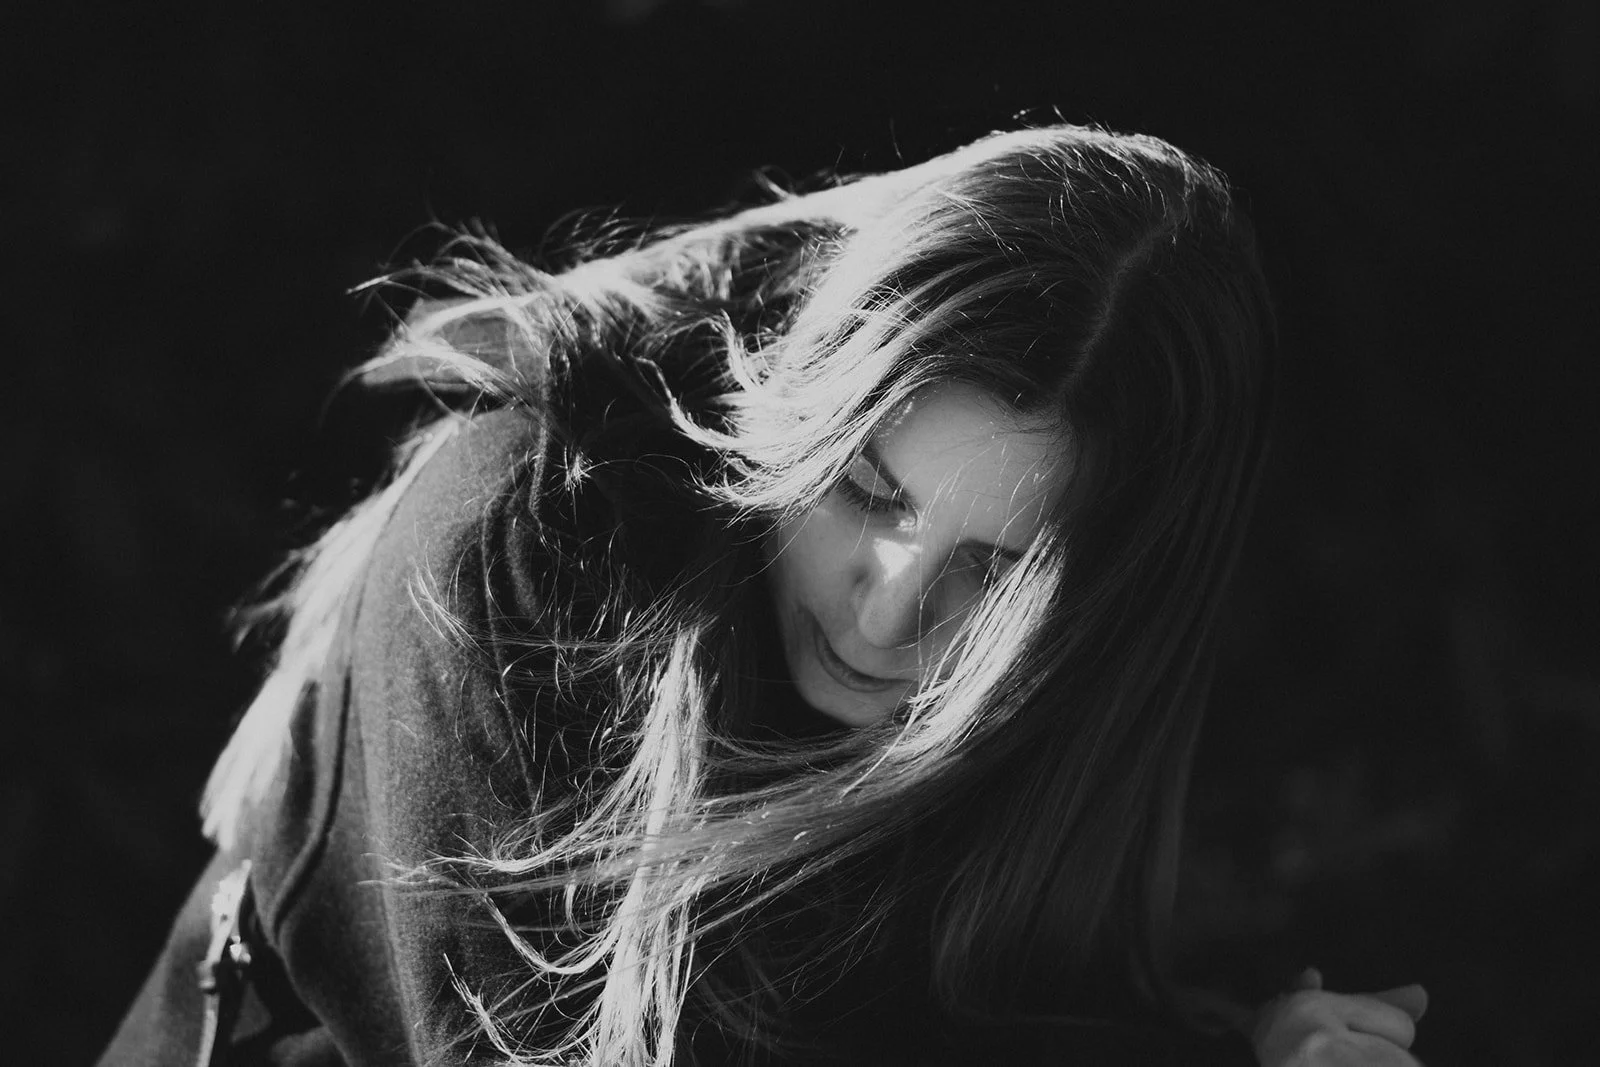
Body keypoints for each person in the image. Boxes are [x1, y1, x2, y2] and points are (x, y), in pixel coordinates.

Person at [100, 124, 1429, 1066]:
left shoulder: (1022, 745)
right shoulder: (520, 535)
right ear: (788, 413)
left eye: (993, 573)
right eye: (868, 492)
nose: (886, 613)